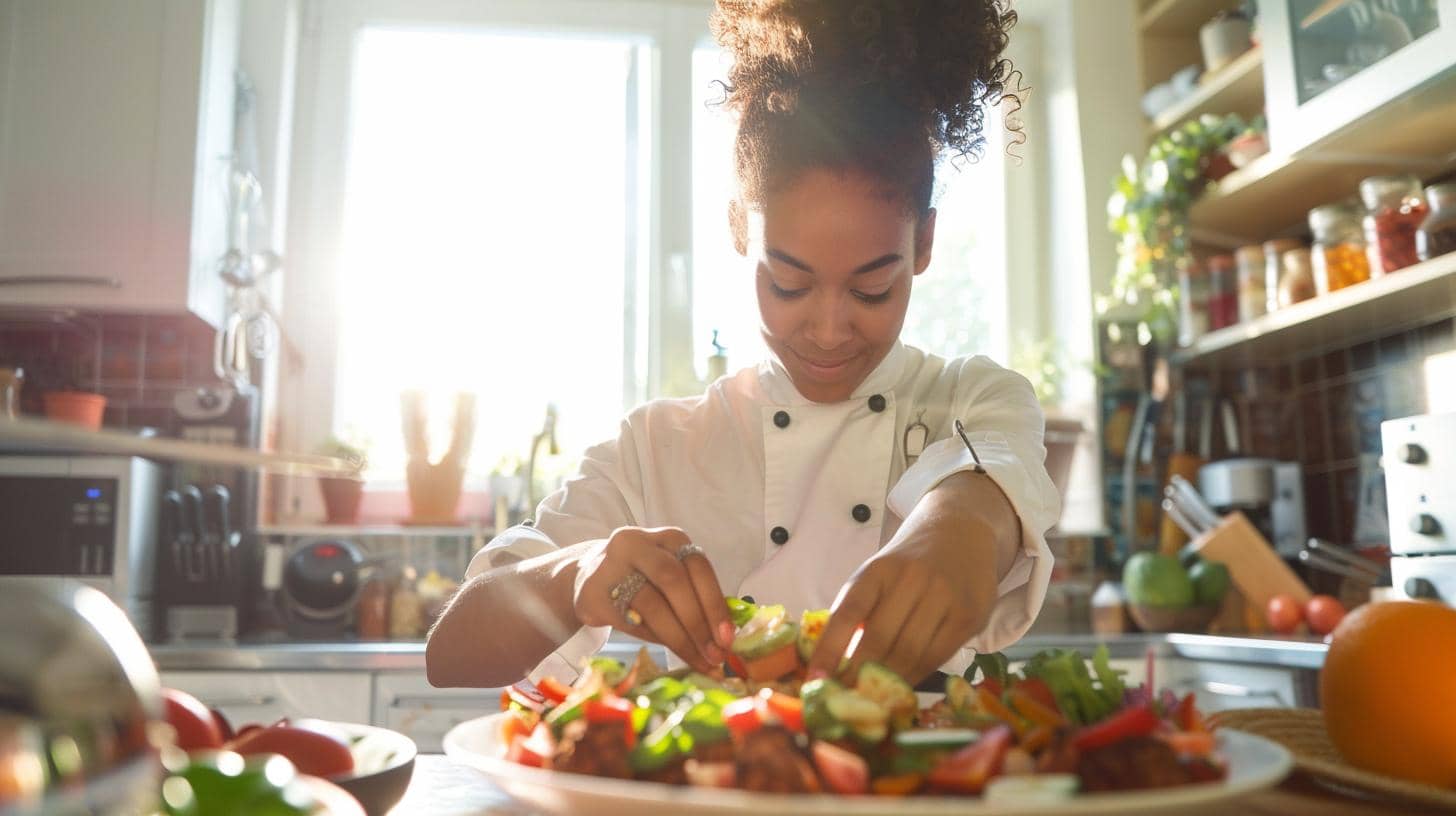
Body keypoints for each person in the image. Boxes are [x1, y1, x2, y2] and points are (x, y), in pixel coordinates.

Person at [427, 0, 1057, 690]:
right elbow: (452, 653)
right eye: (788, 283)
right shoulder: (657, 449)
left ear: (925, 243)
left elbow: (993, 475)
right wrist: (574, 575)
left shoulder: (974, 400)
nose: (828, 330)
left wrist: (963, 521)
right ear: (737, 229)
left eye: (872, 289)